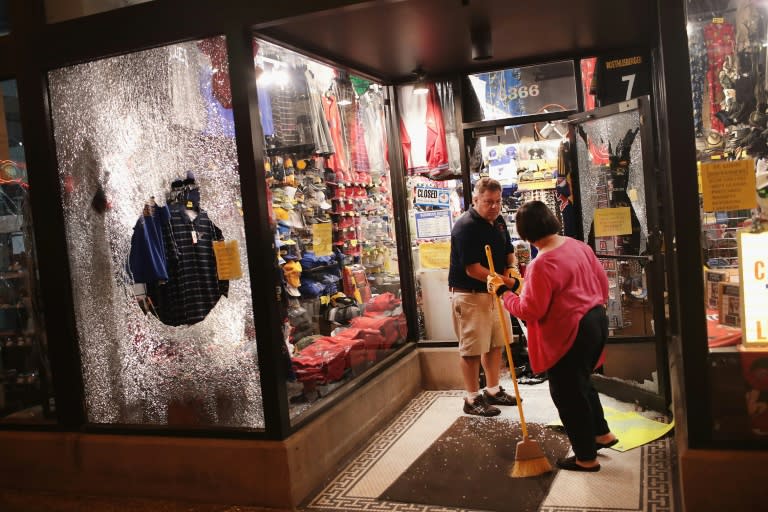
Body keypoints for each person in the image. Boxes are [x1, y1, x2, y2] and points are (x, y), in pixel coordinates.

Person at [487, 200, 618, 472]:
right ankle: (601, 433)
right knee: (582, 381)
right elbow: (603, 284)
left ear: (525, 233)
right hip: (595, 321)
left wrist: (503, 293)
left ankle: (586, 457)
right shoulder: (577, 245)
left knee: (568, 395)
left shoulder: (542, 263)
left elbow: (530, 310)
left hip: (569, 333)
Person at [448, 177, 521, 417]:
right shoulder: (465, 226)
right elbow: (472, 269)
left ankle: (492, 389)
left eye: (498, 202)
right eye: (488, 202)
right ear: (475, 200)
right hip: (470, 294)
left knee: (495, 343)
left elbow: (509, 251)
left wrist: (511, 268)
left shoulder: (498, 221)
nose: (494, 207)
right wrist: (506, 282)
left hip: (494, 292)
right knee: (471, 349)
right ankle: (471, 398)